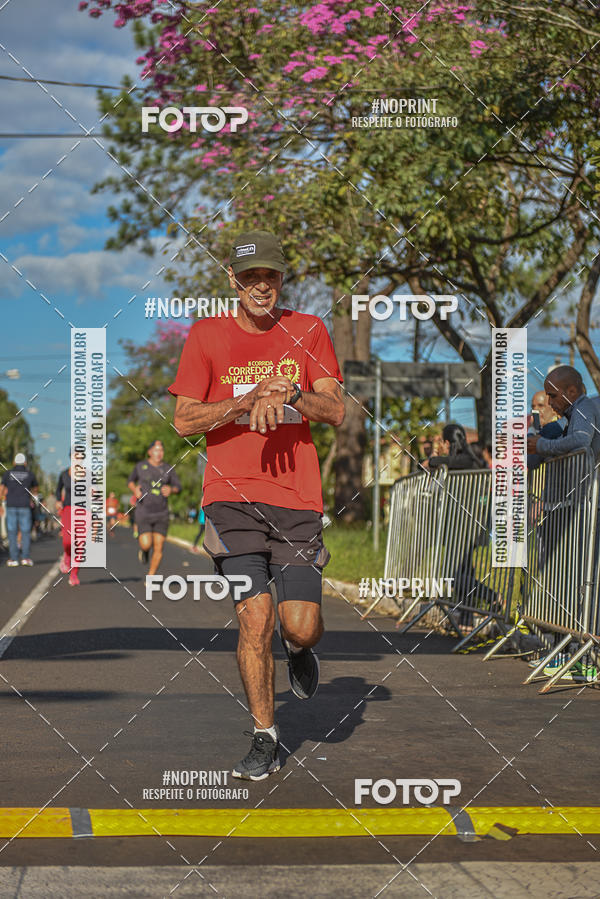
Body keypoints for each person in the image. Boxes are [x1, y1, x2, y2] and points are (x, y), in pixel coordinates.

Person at [169, 229, 345, 781]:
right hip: (231, 500)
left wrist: (290, 393)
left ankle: (298, 652)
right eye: (250, 277)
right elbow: (183, 420)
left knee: (299, 627)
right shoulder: (206, 336)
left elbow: (336, 410)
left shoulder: (309, 331)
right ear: (233, 281)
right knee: (255, 617)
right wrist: (244, 401)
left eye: (270, 275)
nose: (260, 286)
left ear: (281, 279)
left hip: (296, 499)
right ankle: (265, 735)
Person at [128, 440, 181, 575]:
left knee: (159, 547)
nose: (159, 453)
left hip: (162, 513)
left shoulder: (168, 468)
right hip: (143, 512)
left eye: (161, 450)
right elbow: (130, 481)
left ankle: (151, 576)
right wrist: (135, 489)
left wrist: (171, 489)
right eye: (156, 450)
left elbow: (178, 487)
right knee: (146, 544)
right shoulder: (140, 466)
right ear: (150, 452)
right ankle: (144, 551)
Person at [527, 366, 600, 460]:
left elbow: (581, 439)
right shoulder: (571, 416)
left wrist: (541, 445)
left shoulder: (583, 407)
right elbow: (532, 461)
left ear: (572, 392)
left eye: (553, 396)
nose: (550, 402)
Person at [0, 452, 38, 566]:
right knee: (25, 532)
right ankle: (25, 558)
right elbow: (35, 488)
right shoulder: (30, 474)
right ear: (25, 463)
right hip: (25, 505)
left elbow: (2, 489)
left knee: (12, 532)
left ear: (14, 462)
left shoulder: (8, 474)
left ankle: (13, 558)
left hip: (11, 505)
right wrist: (31, 496)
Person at [527, 389, 564, 470]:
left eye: (541, 406)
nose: (535, 411)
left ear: (553, 409)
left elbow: (531, 461)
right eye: (533, 407)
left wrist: (531, 429)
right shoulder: (543, 430)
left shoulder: (553, 429)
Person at [56, 464, 80, 586]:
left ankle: (74, 574)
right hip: (68, 509)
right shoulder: (64, 474)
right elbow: (58, 489)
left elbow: (95, 490)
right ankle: (67, 554)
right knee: (67, 541)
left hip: (83, 510)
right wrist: (58, 500)